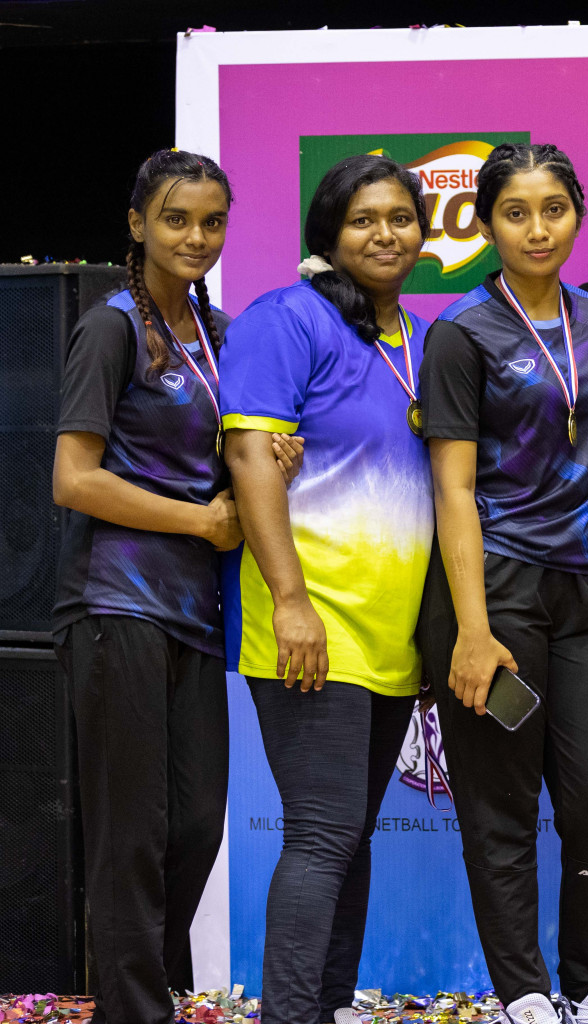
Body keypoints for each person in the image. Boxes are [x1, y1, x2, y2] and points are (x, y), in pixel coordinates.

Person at [52, 147, 280, 1024]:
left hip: (195, 616)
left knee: (194, 830)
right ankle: (138, 1010)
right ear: (139, 223)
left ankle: (134, 996)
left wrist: (269, 459)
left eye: (212, 221)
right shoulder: (113, 326)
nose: (196, 236)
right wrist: (200, 521)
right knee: (131, 836)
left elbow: (218, 462)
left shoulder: (219, 333)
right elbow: (74, 479)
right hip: (116, 604)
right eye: (177, 218)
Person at [417, 143, 588, 1024]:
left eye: (554, 208)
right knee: (501, 810)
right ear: (485, 223)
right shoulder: (462, 333)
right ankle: (526, 995)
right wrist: (471, 627)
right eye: (515, 212)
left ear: (578, 211)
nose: (538, 229)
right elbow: (452, 488)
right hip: (493, 590)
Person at [219, 153, 433, 1024]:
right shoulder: (285, 319)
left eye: (401, 218)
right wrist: (293, 602)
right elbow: (249, 462)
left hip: (390, 637)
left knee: (348, 837)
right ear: (327, 235)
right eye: (362, 220)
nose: (385, 234)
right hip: (310, 623)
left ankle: (329, 1007)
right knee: (320, 833)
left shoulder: (414, 336)